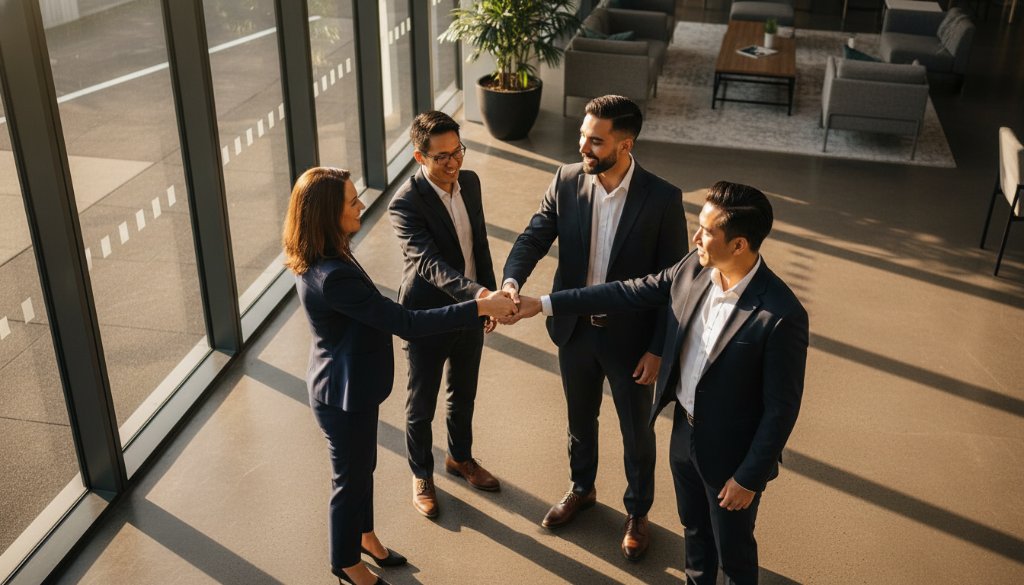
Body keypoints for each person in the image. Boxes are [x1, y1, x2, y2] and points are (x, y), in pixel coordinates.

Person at [518, 181, 809, 585]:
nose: (696, 237)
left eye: (707, 231)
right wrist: (545, 304)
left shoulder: (780, 314)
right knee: (694, 533)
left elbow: (782, 409)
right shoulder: (694, 267)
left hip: (732, 458)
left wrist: (749, 477)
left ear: (740, 244)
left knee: (734, 552)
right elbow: (627, 291)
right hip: (683, 436)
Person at [282, 167, 517, 585]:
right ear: (326, 215)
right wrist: (479, 307)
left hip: (352, 383)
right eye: (351, 202)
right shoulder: (333, 277)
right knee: (348, 478)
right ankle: (346, 564)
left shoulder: (328, 253)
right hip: (343, 393)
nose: (360, 205)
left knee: (363, 467)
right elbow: (405, 323)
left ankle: (365, 537)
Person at [501, 95, 688, 560]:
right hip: (575, 331)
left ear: (625, 144)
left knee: (635, 432)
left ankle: (637, 512)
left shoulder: (663, 199)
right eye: (582, 136)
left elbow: (675, 286)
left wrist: (659, 348)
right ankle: (582, 488)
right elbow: (534, 235)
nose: (583, 145)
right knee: (579, 420)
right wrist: (511, 281)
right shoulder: (566, 180)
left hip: (632, 341)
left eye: (595, 140)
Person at [388, 111, 500, 519]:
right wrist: (482, 296)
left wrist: (485, 291)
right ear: (420, 158)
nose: (453, 163)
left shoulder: (469, 182)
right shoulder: (405, 203)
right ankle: (421, 473)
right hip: (427, 316)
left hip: (471, 309)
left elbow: (478, 244)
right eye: (441, 157)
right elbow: (430, 264)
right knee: (422, 403)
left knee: (463, 391)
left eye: (458, 152)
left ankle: (461, 457)